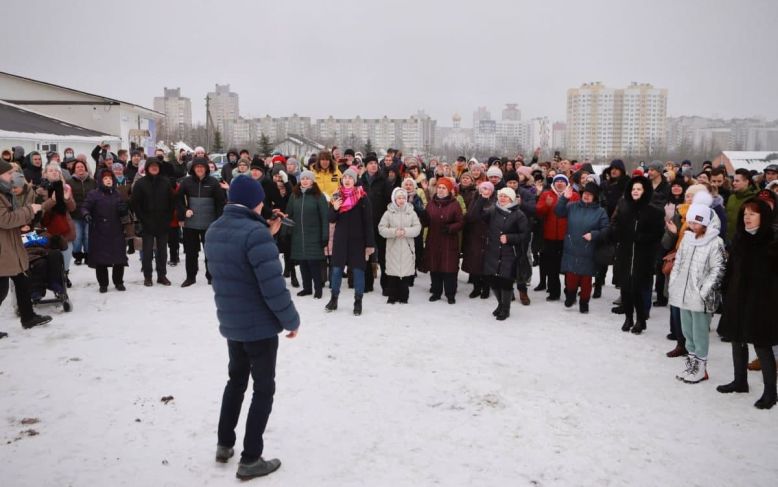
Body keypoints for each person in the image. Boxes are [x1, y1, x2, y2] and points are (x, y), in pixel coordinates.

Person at [204, 175, 299, 480]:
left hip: (232, 321)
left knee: (235, 382)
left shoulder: (215, 229)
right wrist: (291, 321)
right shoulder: (255, 234)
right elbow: (271, 286)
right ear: (255, 202)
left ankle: (224, 443)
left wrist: (265, 232)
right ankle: (251, 458)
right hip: (258, 327)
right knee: (263, 388)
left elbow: (237, 268)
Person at [716, 198, 778, 409]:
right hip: (738, 297)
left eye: (752, 214)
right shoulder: (740, 238)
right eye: (744, 214)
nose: (747, 218)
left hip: (763, 302)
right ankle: (739, 380)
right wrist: (726, 289)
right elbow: (732, 267)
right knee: (737, 339)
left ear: (763, 216)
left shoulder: (772, 240)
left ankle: (771, 392)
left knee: (762, 344)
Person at [667, 198, 726, 383]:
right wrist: (674, 284)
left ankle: (701, 366)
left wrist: (703, 291)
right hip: (683, 294)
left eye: (696, 222)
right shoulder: (687, 238)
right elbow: (678, 263)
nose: (692, 225)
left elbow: (718, 269)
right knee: (688, 332)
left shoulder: (715, 242)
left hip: (701, 297)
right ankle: (692, 364)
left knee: (700, 333)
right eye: (690, 221)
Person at [609, 176, 665, 334]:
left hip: (643, 256)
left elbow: (658, 234)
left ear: (645, 191)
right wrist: (616, 233)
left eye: (639, 189)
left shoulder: (653, 211)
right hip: (625, 254)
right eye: (633, 189)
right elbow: (615, 224)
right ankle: (628, 318)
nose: (635, 191)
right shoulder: (624, 207)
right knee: (625, 289)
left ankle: (641, 320)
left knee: (638, 290)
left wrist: (641, 238)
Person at [0, 160, 52, 332]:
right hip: (3, 249)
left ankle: (28, 317)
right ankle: (28, 317)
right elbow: (5, 220)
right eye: (8, 174)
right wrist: (29, 210)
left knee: (22, 281)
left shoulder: (5, 192)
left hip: (10, 245)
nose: (11, 177)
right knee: (1, 290)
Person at [473, 187, 529, 320]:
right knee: (493, 280)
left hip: (509, 254)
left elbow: (525, 235)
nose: (502, 198)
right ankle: (500, 304)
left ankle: (505, 309)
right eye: (501, 196)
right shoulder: (493, 210)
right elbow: (476, 215)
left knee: (505, 282)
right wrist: (482, 199)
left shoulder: (519, 214)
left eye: (506, 196)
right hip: (492, 251)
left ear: (511, 199)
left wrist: (509, 238)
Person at [325, 168, 374, 316]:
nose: (347, 179)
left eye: (350, 177)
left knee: (358, 271)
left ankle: (358, 301)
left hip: (358, 240)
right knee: (336, 270)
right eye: (344, 177)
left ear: (355, 180)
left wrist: (369, 244)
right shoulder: (336, 195)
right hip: (340, 239)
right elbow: (331, 219)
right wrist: (334, 208)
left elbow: (368, 222)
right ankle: (334, 299)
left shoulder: (362, 196)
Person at [555, 182, 609, 314]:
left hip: (588, 250)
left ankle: (584, 302)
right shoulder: (572, 206)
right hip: (571, 248)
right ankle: (571, 296)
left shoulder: (600, 211)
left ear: (595, 197)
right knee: (571, 278)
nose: (586, 196)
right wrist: (564, 198)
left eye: (590, 195)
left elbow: (607, 229)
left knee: (586, 281)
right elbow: (558, 212)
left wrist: (594, 235)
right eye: (585, 193)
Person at [177, 157, 226, 287]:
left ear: (206, 168)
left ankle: (211, 276)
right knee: (190, 252)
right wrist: (183, 213)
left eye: (202, 167)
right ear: (193, 168)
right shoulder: (186, 182)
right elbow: (178, 200)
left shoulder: (214, 182)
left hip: (210, 224)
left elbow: (221, 203)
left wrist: (218, 220)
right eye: (196, 167)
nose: (199, 169)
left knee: (210, 252)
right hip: (190, 224)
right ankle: (190, 277)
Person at [81, 169, 129, 293]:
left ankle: (118, 282)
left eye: (110, 178)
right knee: (101, 259)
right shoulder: (93, 194)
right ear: (101, 181)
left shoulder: (117, 193)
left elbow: (123, 210)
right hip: (99, 231)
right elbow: (85, 206)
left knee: (119, 258)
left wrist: (123, 209)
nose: (108, 180)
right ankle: (103, 284)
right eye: (105, 178)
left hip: (116, 230)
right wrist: (86, 214)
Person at [131, 157, 175, 287]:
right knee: (147, 252)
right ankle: (148, 277)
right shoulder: (140, 183)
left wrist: (168, 218)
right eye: (152, 166)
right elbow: (135, 204)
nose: (154, 168)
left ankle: (162, 276)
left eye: (156, 166)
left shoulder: (165, 182)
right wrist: (142, 219)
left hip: (163, 222)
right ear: (147, 168)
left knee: (162, 251)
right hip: (147, 223)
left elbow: (171, 202)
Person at [285, 170, 329, 299]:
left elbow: (324, 218)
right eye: (302, 178)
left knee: (313, 263)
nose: (304, 181)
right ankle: (307, 288)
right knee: (303, 263)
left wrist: (325, 236)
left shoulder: (319, 196)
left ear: (312, 181)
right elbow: (288, 214)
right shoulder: (294, 196)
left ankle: (318, 289)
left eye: (307, 179)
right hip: (298, 236)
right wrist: (285, 232)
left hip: (314, 236)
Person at [421, 177, 464, 304]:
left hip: (449, 241)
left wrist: (450, 228)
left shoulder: (454, 204)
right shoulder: (431, 203)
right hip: (433, 240)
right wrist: (423, 217)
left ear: (449, 190)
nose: (440, 190)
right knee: (435, 267)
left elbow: (461, 222)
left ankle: (450, 294)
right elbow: (426, 223)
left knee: (449, 269)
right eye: (439, 187)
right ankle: (436, 292)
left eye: (443, 188)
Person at [536, 174, 579, 301]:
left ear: (566, 183)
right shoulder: (546, 194)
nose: (560, 183)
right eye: (557, 181)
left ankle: (569, 292)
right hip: (550, 237)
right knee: (552, 267)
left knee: (568, 267)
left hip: (567, 237)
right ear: (553, 183)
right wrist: (547, 205)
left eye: (562, 181)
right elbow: (538, 211)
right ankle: (554, 292)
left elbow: (577, 213)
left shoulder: (574, 195)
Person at [378, 187, 422, 304]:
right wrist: (394, 232)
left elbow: (417, 228)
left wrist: (406, 231)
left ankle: (404, 297)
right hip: (393, 248)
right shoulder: (388, 213)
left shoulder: (411, 212)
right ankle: (392, 297)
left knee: (405, 274)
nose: (401, 200)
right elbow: (381, 229)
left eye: (403, 198)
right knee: (393, 274)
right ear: (394, 199)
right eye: (399, 198)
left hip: (407, 249)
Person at [68, 159, 97, 266]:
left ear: (85, 168)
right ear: (74, 170)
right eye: (77, 167)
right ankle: (77, 255)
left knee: (88, 235)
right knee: (78, 236)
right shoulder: (69, 182)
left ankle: (88, 255)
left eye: (82, 167)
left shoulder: (92, 181)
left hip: (89, 214)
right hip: (75, 214)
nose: (80, 168)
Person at [724, 168, 758, 242]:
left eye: (737, 181)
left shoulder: (754, 199)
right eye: (734, 181)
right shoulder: (731, 197)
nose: (733, 183)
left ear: (746, 182)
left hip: (744, 240)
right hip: (728, 238)